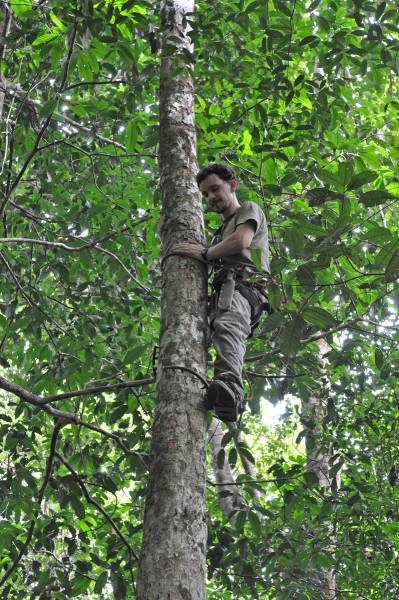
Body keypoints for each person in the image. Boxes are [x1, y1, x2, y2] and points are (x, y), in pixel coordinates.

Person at [173, 163, 270, 422]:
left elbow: (242, 242)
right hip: (223, 294)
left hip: (243, 288)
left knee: (228, 327)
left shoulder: (248, 210)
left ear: (232, 185)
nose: (211, 197)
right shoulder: (218, 235)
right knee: (210, 334)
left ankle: (233, 391)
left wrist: (204, 253)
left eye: (215, 189)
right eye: (205, 194)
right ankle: (217, 392)